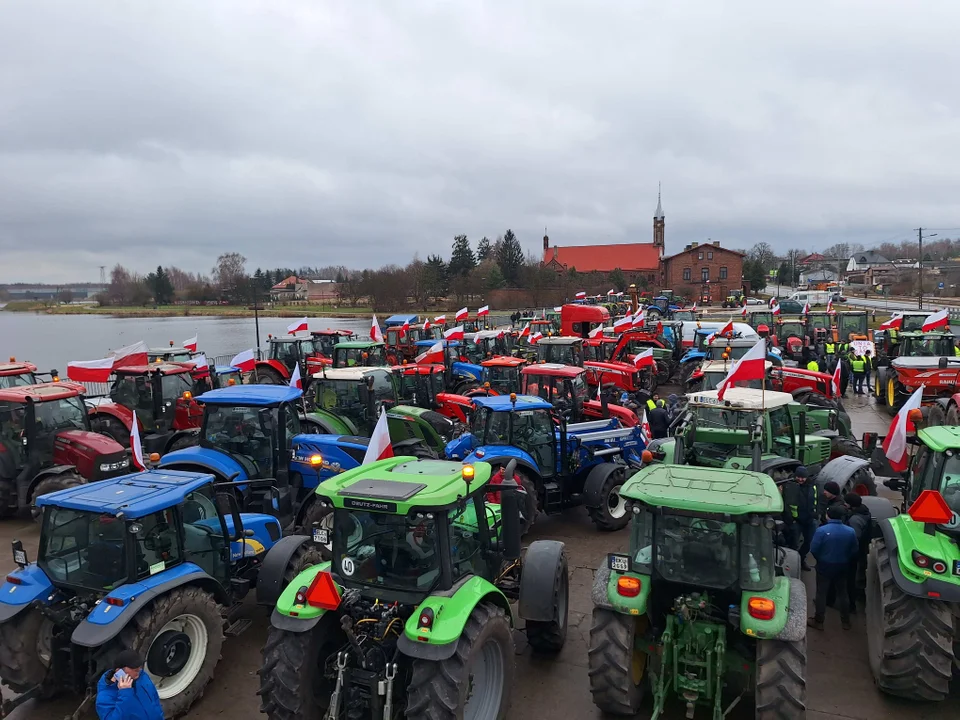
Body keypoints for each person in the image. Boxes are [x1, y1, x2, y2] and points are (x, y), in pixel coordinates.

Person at [809, 505, 859, 631]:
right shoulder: (850, 531)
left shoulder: (821, 530)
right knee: (843, 593)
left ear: (828, 515)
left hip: (825, 565)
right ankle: (845, 621)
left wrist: (821, 558)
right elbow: (854, 550)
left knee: (821, 593)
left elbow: (814, 549)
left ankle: (819, 621)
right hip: (842, 565)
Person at [96, 649, 163, 720]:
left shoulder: (142, 676)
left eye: (139, 666)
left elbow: (155, 699)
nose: (138, 669)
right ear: (119, 671)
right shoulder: (104, 697)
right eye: (134, 667)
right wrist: (125, 693)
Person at [781, 466, 818, 571]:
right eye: (799, 477)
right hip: (795, 520)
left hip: (809, 519)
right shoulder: (789, 486)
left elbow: (816, 500)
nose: (801, 480)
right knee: (794, 543)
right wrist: (790, 520)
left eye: (803, 478)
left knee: (809, 542)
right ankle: (791, 564)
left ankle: (801, 559)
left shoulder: (812, 486)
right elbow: (785, 504)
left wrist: (816, 513)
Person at [844, 493, 873, 613]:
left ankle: (851, 605)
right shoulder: (864, 511)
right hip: (864, 548)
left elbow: (854, 539)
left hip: (855, 553)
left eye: (846, 503)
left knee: (851, 577)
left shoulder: (855, 520)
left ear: (851, 505)